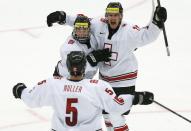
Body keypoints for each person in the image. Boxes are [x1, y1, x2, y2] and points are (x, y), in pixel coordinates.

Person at [46, 1, 167, 130]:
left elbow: (147, 35)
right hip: (104, 80)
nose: (112, 18)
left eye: (115, 15)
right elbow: (82, 21)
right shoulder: (99, 24)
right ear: (106, 15)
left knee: (116, 114)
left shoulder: (130, 31)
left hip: (124, 79)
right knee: (106, 115)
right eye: (110, 15)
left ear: (121, 16)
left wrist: (156, 22)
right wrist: (63, 17)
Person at [12, 51, 154, 131]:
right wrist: (137, 98)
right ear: (84, 67)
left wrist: (20, 90)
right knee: (116, 119)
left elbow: (31, 99)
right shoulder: (97, 86)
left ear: (68, 66)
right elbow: (116, 106)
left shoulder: (53, 83)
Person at [52, 14, 111, 79]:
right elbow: (74, 69)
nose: (81, 31)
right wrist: (92, 59)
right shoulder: (69, 47)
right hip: (65, 78)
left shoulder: (92, 38)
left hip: (83, 78)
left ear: (89, 29)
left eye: (84, 28)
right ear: (74, 29)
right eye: (78, 28)